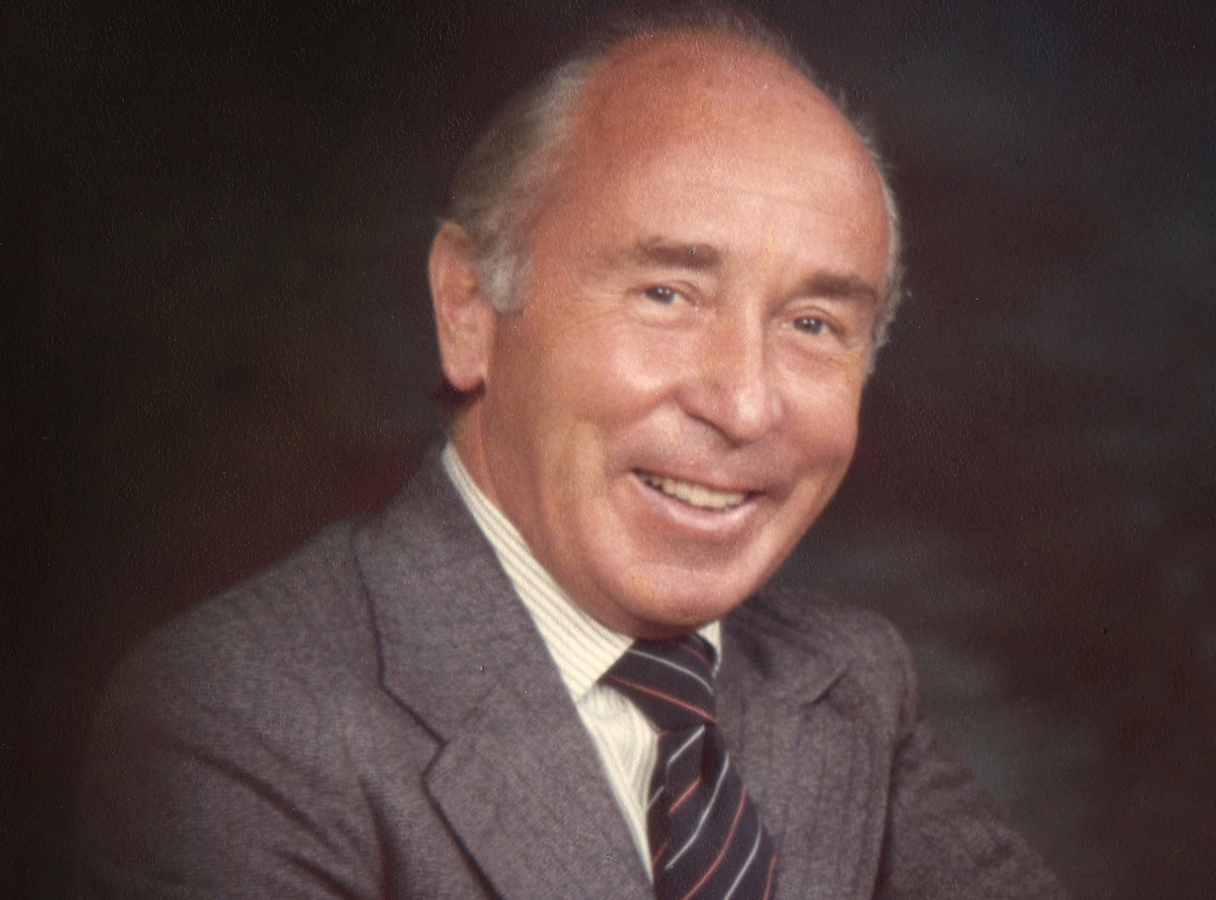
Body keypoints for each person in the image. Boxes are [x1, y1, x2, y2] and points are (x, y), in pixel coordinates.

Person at [74, 5, 1067, 899]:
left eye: (811, 323)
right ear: (468, 309)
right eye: (665, 293)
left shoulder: (851, 680)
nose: (744, 402)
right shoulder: (235, 723)